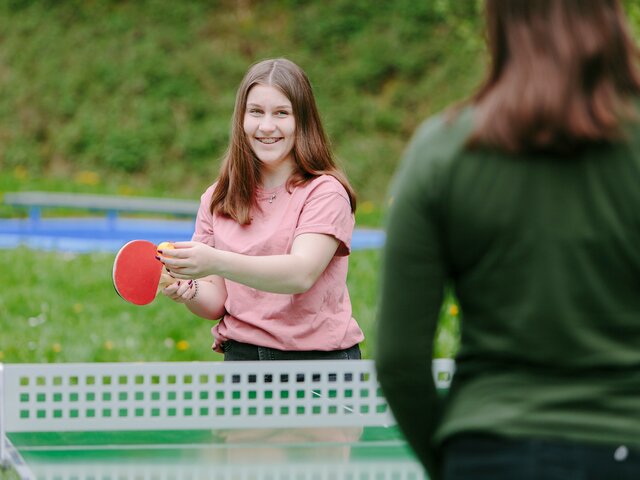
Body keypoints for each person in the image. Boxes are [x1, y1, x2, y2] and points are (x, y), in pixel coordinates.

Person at [375, 1, 640, 479]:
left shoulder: (441, 153)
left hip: (490, 450)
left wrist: (455, 462)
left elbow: (398, 360)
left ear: (498, 19)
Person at [158, 58, 364, 361]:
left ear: (303, 121)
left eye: (282, 113)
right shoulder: (217, 197)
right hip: (243, 361)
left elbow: (300, 273)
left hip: (318, 366)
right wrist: (188, 288)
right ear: (241, 119)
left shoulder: (325, 192)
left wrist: (215, 260)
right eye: (256, 112)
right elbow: (216, 301)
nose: (267, 126)